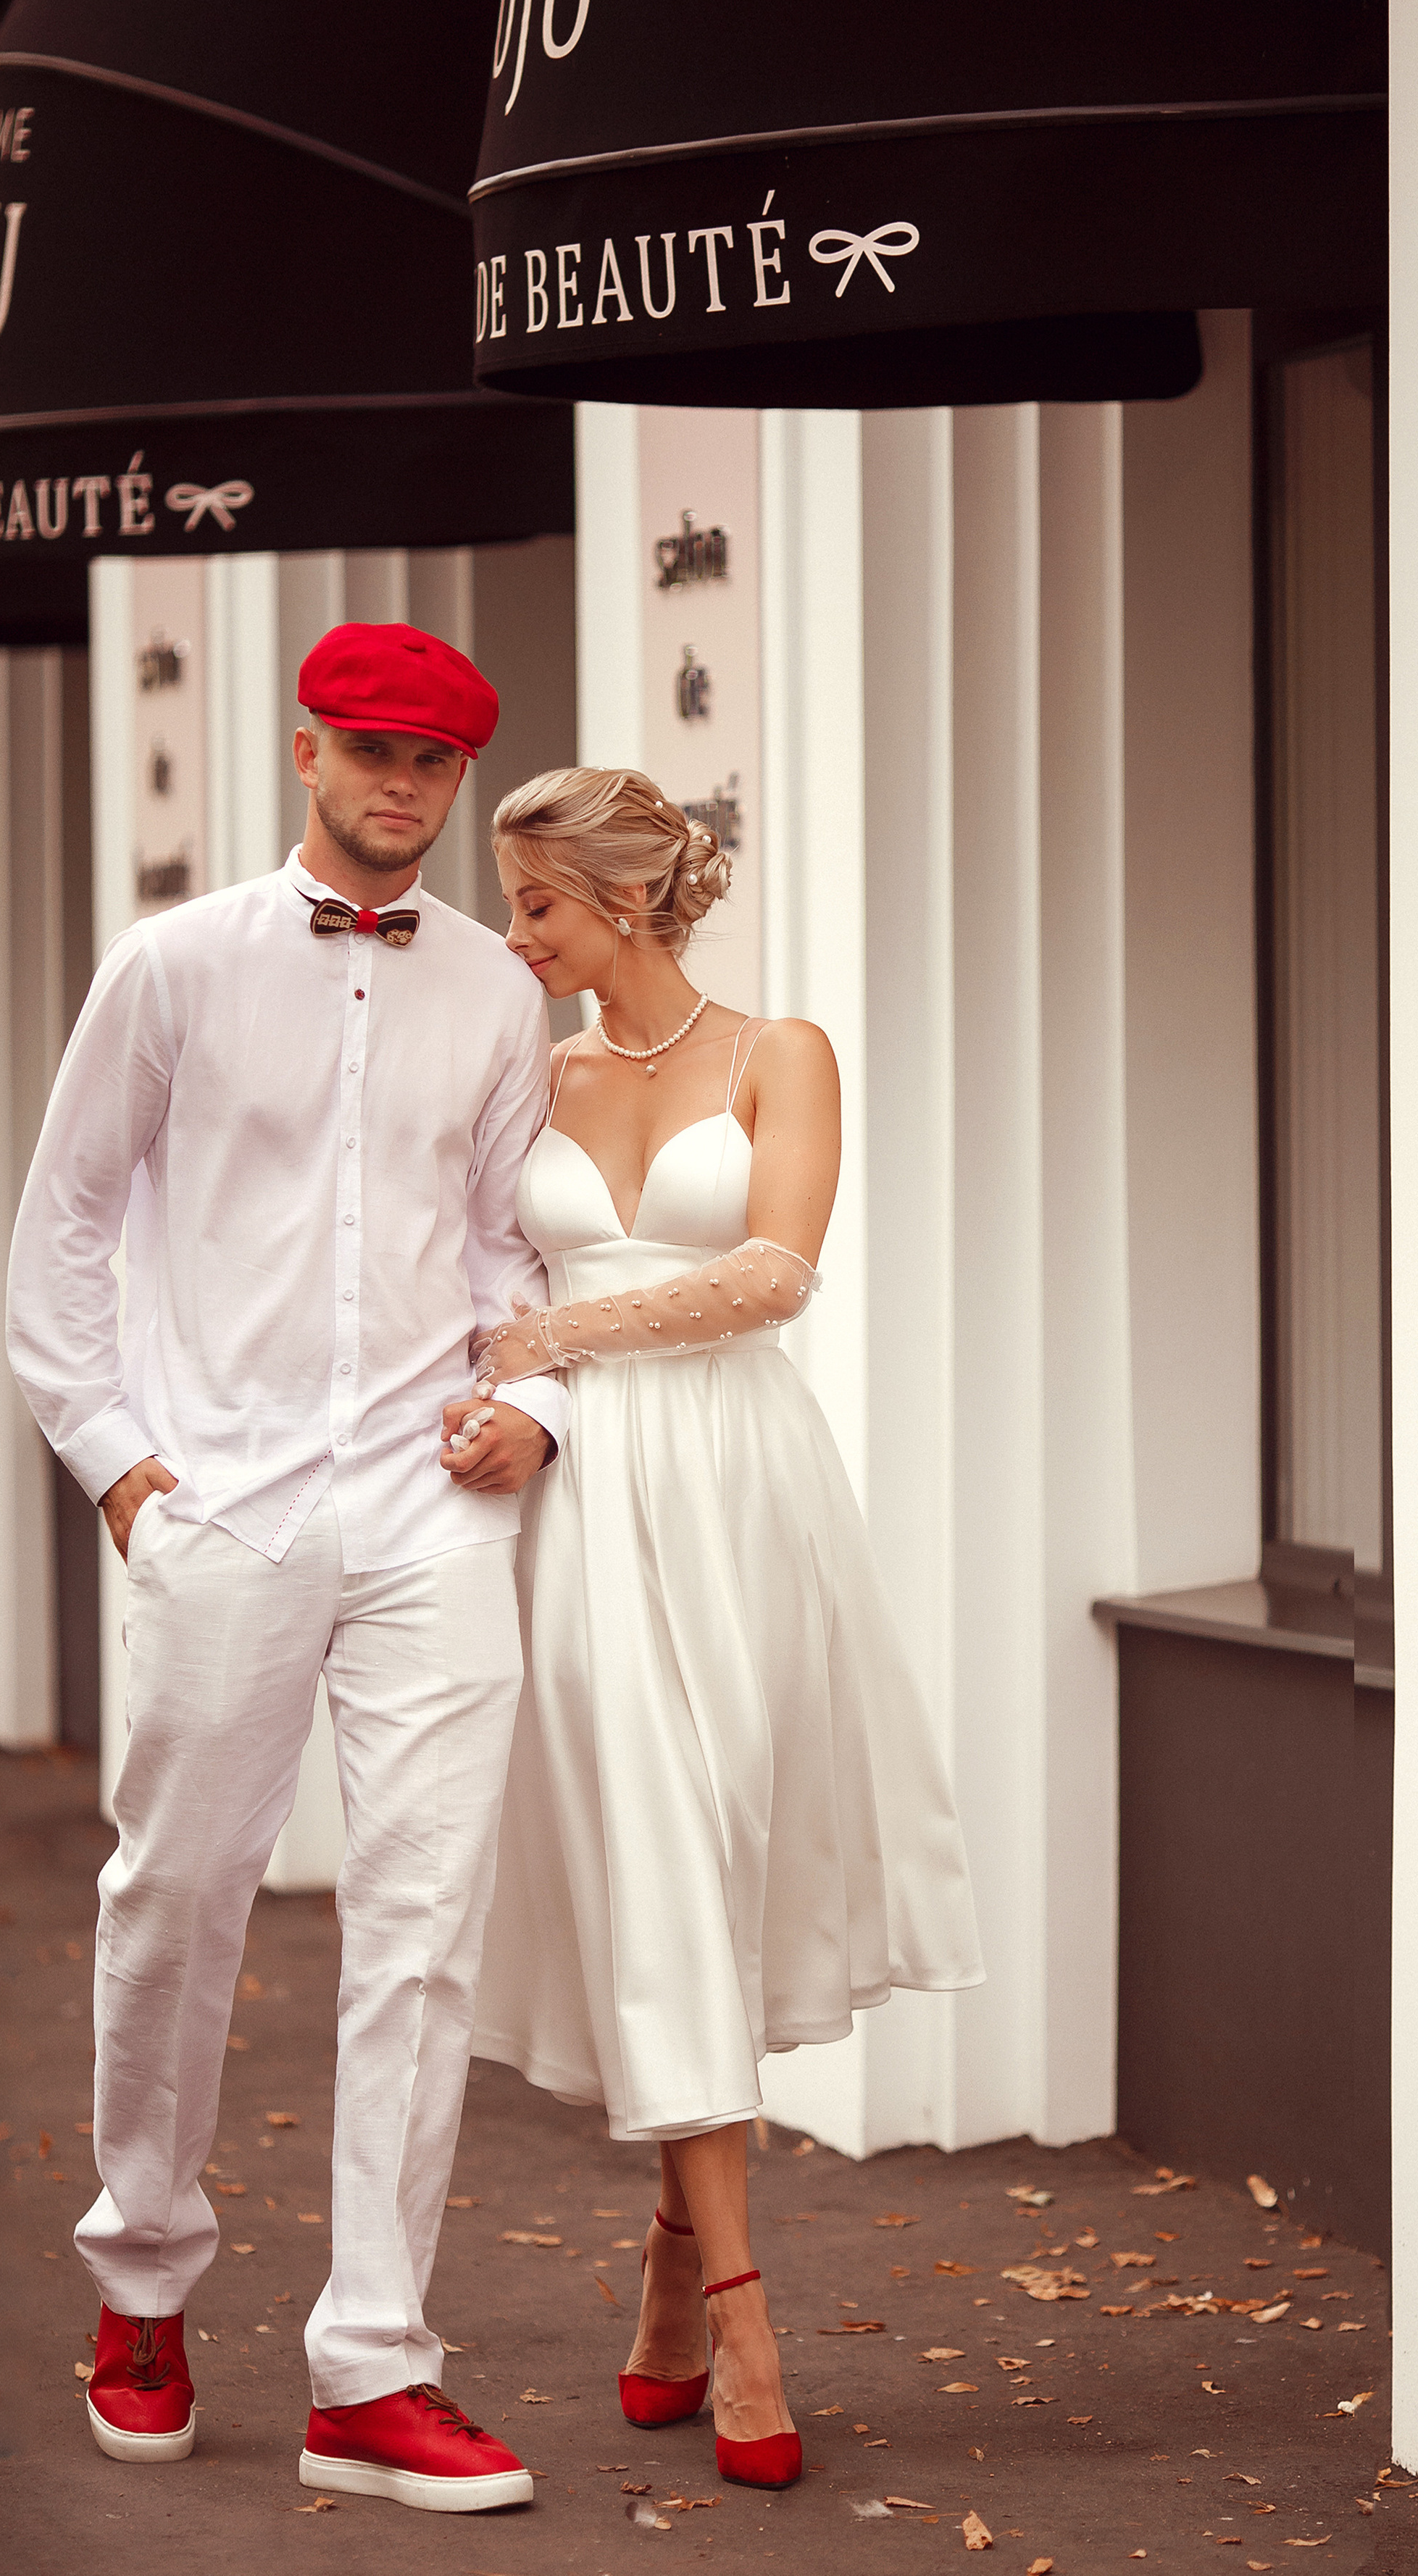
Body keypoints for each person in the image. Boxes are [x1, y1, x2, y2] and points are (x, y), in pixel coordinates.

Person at [6, 623, 561, 2515]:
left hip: (429, 1502)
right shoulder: (172, 968)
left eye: (434, 764)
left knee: (424, 1928)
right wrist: (120, 1468)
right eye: (373, 753)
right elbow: (65, 1224)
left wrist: (536, 1425)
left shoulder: (497, 993)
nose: (402, 788)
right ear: (304, 749)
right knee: (177, 1899)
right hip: (222, 1499)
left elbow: (517, 1253)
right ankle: (142, 2277)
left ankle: (373, 2367)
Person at [459, 766, 983, 2494]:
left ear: (618, 900)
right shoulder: (520, 1074)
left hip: (743, 1491)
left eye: (534, 901)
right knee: (659, 1861)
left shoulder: (781, 1054)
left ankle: (672, 2264)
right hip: (586, 1500)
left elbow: (773, 1274)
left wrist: (563, 1346)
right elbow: (478, 1286)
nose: (512, 930)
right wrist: (518, 1387)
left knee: (728, 1852)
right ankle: (748, 2311)